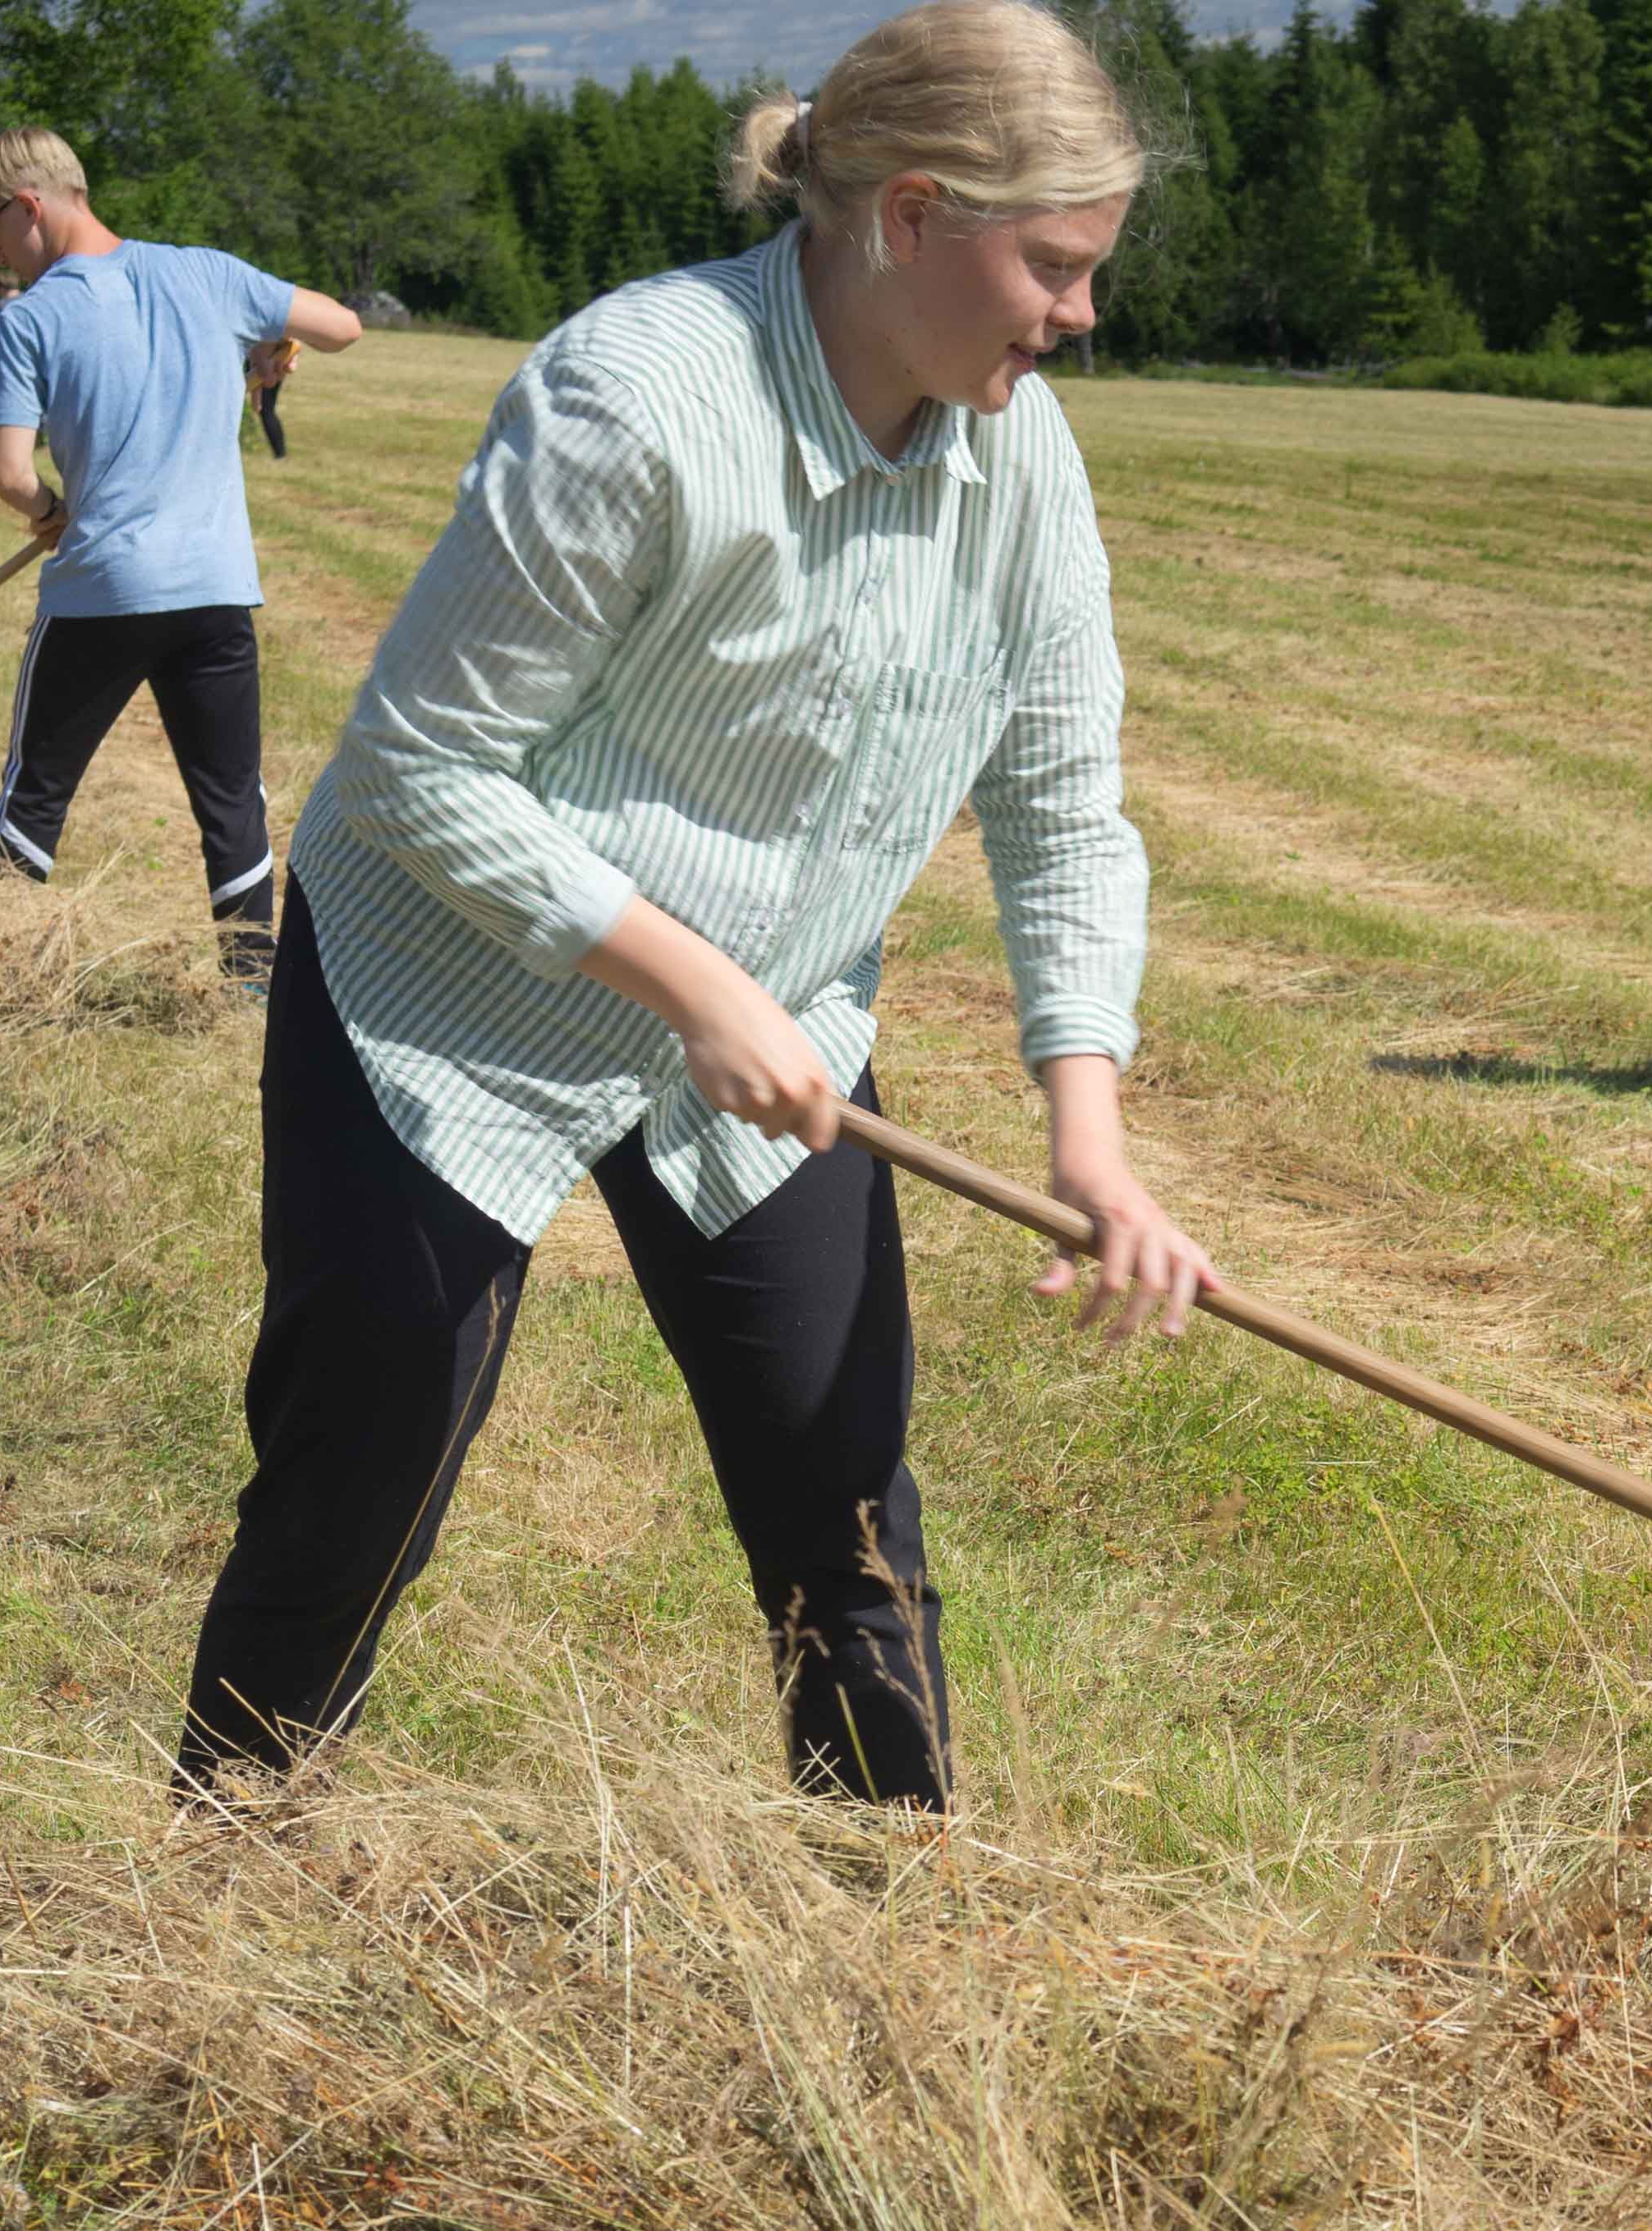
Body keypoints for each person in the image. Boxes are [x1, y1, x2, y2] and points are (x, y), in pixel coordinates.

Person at [174, 0, 1214, 1811]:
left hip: (768, 1031)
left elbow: (1062, 806)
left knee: (842, 1499)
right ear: (908, 216)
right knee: (364, 1468)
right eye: (1053, 265)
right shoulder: (639, 396)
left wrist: (1092, 1140)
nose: (1080, 315)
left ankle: (892, 1915)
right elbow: (422, 765)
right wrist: (686, 981)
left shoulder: (1022, 462)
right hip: (449, 1005)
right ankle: (213, 1876)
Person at [0, 129, 360, 980]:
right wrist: (262, 348)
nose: (0, 256)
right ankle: (251, 984)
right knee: (232, 801)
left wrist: (51, 511)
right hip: (214, 592)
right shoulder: (209, 275)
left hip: (101, 592)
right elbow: (342, 326)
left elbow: (7, 473)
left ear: (28, 208)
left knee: (36, 789)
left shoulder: (31, 317)